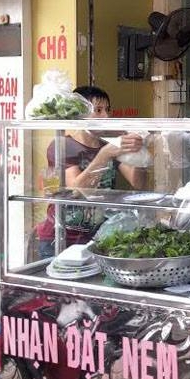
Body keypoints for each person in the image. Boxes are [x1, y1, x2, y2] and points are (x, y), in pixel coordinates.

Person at [37, 86, 146, 258]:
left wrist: (141, 155)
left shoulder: (107, 144)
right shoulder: (63, 146)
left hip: (98, 237)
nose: (106, 116)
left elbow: (137, 183)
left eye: (107, 110)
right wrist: (105, 154)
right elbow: (77, 190)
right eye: (98, 110)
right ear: (80, 113)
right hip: (62, 239)